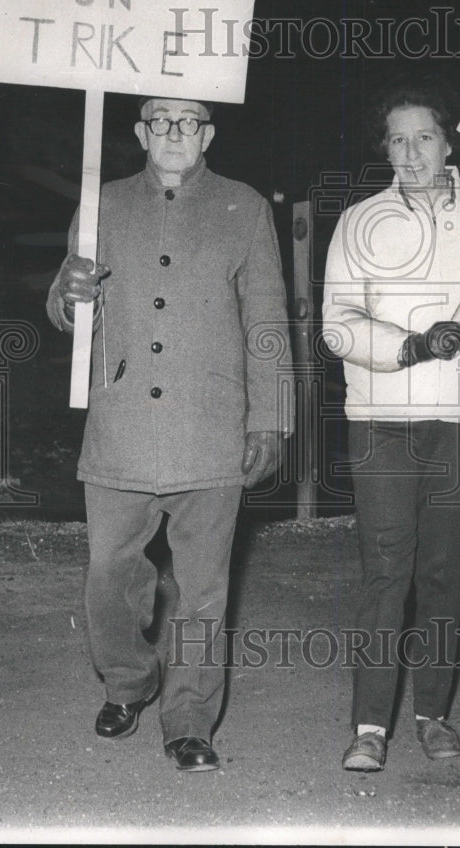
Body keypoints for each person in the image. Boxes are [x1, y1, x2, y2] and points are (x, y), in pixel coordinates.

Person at [47, 95, 292, 772]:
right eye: (161, 120)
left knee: (203, 591)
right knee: (108, 576)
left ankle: (189, 720)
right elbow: (68, 310)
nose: (175, 132)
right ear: (139, 131)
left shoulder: (245, 206)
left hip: (210, 427)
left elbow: (267, 320)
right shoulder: (103, 204)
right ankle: (127, 682)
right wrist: (65, 295)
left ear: (208, 132)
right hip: (121, 425)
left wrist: (269, 418)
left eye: (189, 121)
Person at [323, 73, 460, 771]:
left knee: (445, 571)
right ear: (384, 149)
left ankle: (434, 715)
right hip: (383, 420)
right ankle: (369, 727)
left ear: (448, 141)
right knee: (387, 569)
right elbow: (337, 326)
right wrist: (411, 346)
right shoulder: (360, 222)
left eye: (425, 136)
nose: (412, 152)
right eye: (398, 140)